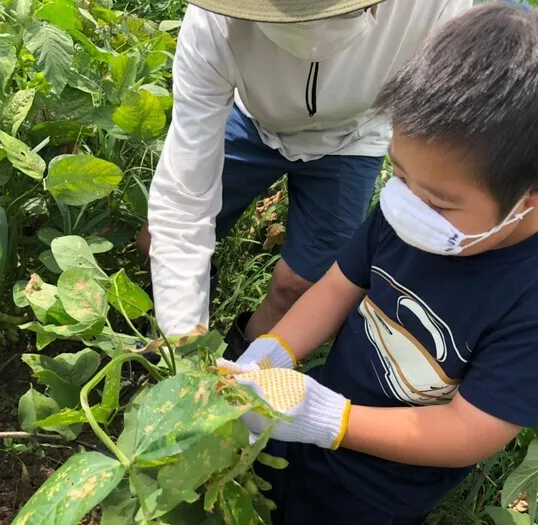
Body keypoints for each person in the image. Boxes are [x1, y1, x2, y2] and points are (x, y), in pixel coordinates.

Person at [218, 3, 538, 523]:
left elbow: (469, 431)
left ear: (532, 195)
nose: (408, 205)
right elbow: (336, 287)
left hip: (379, 487)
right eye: (398, 174)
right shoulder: (406, 212)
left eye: (439, 202)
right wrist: (274, 352)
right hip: (316, 416)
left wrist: (333, 421)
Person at [143, 0, 471, 353]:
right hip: (250, 119)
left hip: (353, 136)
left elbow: (441, 117)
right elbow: (182, 209)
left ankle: (242, 370)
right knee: (156, 242)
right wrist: (184, 351)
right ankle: (181, 329)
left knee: (299, 284)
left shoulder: (435, 6)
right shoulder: (214, 22)